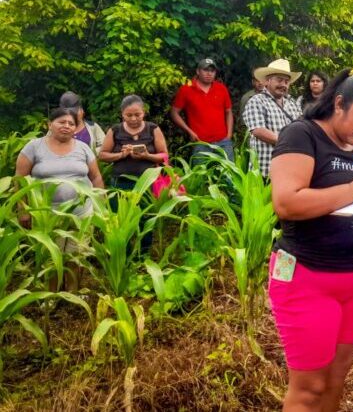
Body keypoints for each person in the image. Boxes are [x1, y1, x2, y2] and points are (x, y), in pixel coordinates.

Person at [268, 69, 353, 411]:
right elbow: (287, 202)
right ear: (339, 103)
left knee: (338, 375)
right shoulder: (301, 135)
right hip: (308, 278)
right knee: (309, 387)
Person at [15, 107, 105, 291]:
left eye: (71, 123)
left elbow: (96, 177)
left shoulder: (83, 148)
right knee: (50, 255)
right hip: (47, 214)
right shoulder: (34, 147)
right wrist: (23, 209)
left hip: (81, 212)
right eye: (61, 122)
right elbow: (20, 179)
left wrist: (100, 206)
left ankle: (73, 294)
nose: (66, 126)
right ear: (49, 124)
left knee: (76, 255)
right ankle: (51, 295)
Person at [99, 95, 169, 254]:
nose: (133, 118)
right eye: (128, 115)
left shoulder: (153, 129)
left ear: (143, 112)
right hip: (121, 183)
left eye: (137, 114)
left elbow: (164, 155)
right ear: (122, 114)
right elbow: (102, 155)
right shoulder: (115, 130)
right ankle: (124, 254)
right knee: (121, 220)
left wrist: (146, 156)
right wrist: (120, 155)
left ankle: (143, 254)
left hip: (146, 183)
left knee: (145, 218)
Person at [242, 59, 303, 177]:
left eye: (286, 81)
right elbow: (258, 130)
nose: (283, 84)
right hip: (265, 170)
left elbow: (302, 128)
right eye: (279, 80)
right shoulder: (256, 101)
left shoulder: (292, 103)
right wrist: (289, 142)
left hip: (290, 170)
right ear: (267, 81)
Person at [170, 58, 234, 162]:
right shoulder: (186, 89)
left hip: (223, 141)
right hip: (200, 142)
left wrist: (229, 135)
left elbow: (228, 112)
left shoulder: (221, 88)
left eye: (212, 71)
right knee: (200, 175)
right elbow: (174, 112)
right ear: (198, 71)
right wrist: (189, 131)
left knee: (228, 175)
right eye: (205, 70)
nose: (209, 74)